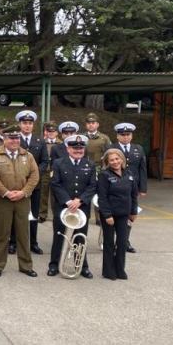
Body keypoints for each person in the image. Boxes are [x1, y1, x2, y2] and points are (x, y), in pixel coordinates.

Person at [0, 124, 39, 278]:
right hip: (3, 201)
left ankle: (25, 266)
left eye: (17, 138)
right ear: (4, 139)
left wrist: (23, 192)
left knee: (23, 234)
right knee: (2, 234)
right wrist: (6, 193)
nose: (15, 141)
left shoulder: (27, 156)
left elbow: (34, 176)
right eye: (11, 138)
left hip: (23, 200)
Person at [48, 135, 96, 279]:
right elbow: (55, 184)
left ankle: (82, 266)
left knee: (81, 237)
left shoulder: (90, 165)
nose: (78, 150)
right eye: (75, 148)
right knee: (59, 236)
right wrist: (69, 202)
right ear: (68, 149)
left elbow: (93, 186)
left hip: (82, 208)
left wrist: (80, 201)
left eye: (81, 148)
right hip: (63, 207)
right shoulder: (58, 163)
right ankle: (54, 264)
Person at [10, 110, 48, 255]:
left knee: (33, 213)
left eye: (30, 123)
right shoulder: (14, 140)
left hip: (35, 185)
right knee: (15, 213)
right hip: (17, 184)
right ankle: (13, 242)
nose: (27, 126)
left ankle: (33, 242)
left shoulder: (40, 141)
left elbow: (45, 161)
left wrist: (33, 175)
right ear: (19, 124)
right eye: (24, 123)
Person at [97, 148, 138, 280]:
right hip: (109, 215)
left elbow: (133, 195)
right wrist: (107, 215)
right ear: (107, 162)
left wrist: (134, 212)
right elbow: (102, 197)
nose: (115, 162)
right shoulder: (104, 175)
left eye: (117, 159)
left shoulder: (129, 174)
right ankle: (109, 271)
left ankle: (120, 269)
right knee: (109, 243)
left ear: (122, 159)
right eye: (112, 160)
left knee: (121, 243)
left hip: (124, 214)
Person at [107, 122, 146, 253]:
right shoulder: (110, 148)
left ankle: (125, 242)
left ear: (131, 136)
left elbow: (142, 170)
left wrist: (142, 188)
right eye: (122, 135)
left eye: (128, 134)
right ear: (117, 136)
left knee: (129, 216)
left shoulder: (138, 149)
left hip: (131, 188)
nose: (125, 137)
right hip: (113, 187)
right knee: (112, 215)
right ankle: (109, 242)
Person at [83, 113, 111, 226]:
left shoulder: (104, 138)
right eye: (89, 123)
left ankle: (99, 217)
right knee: (84, 191)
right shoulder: (82, 137)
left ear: (97, 124)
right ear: (86, 125)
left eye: (93, 123)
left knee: (99, 193)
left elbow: (108, 154)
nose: (91, 125)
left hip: (99, 168)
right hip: (84, 167)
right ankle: (84, 215)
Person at [38, 122, 60, 224]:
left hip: (56, 172)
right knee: (43, 193)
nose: (51, 133)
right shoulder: (42, 142)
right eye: (49, 131)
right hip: (45, 171)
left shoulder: (61, 143)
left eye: (53, 131)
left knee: (55, 194)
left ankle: (56, 214)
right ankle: (42, 214)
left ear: (57, 133)